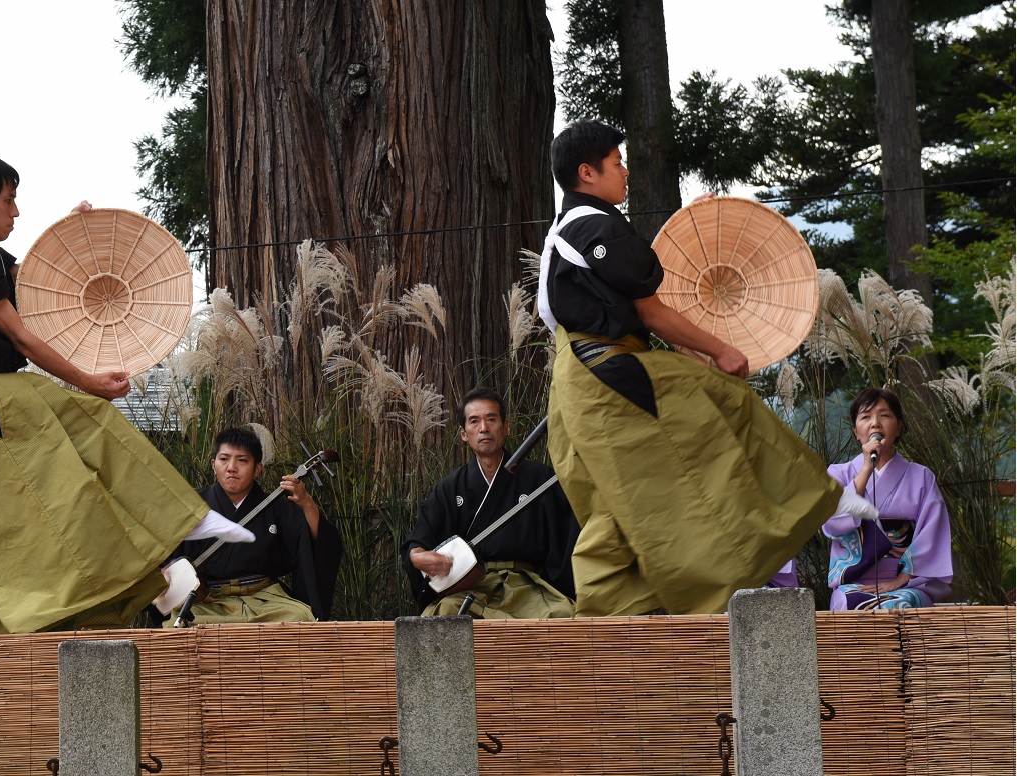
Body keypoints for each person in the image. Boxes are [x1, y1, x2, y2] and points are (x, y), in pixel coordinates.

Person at [538, 122, 873, 616]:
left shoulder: (568, 229)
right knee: (727, 402)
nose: (625, 171)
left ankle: (622, 614)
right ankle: (818, 498)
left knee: (616, 500)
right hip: (606, 371)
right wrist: (721, 350)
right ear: (587, 173)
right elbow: (651, 312)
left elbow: (614, 289)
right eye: (616, 162)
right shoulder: (594, 226)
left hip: (576, 381)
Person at [0, 153, 251, 634]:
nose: (16, 212)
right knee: (71, 458)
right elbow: (23, 339)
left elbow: (40, 280)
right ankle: (173, 533)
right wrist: (88, 381)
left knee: (70, 465)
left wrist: (71, 231)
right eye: (9, 201)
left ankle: (168, 543)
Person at [402, 389, 578, 619]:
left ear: (505, 427)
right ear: (464, 434)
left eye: (491, 419)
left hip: (528, 586)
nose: (483, 427)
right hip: (471, 587)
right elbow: (418, 542)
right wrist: (418, 557)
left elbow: (568, 539)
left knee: (562, 614)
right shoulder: (451, 487)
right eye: (474, 421)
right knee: (443, 615)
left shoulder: (539, 478)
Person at [170, 427, 341, 623]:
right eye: (224, 459)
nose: (231, 467)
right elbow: (167, 559)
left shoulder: (276, 507)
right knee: (180, 624)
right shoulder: (193, 508)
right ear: (213, 464)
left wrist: (307, 503)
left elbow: (321, 544)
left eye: (242, 460)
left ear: (257, 469)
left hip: (266, 600)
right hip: (209, 601)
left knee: (300, 618)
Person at [823, 387, 954, 610]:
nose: (875, 423)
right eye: (865, 417)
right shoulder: (838, 474)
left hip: (908, 582)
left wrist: (902, 579)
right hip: (854, 582)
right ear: (856, 431)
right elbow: (831, 522)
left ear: (899, 427)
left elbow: (933, 531)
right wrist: (865, 469)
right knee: (849, 602)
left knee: (904, 603)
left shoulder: (921, 477)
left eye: (884, 415)